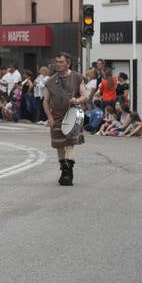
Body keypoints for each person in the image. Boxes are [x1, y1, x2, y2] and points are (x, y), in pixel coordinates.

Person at [42, 51, 86, 186]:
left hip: (72, 114)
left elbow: (85, 95)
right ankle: (64, 170)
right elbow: (45, 101)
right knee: (59, 145)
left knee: (71, 144)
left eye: (61, 62)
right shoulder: (50, 81)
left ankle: (68, 173)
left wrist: (77, 99)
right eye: (57, 62)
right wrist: (49, 117)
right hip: (56, 116)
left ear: (68, 63)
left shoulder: (77, 77)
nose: (58, 64)